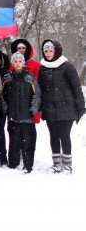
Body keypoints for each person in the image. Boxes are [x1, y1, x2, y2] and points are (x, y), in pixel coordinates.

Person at [39, 40, 85, 173]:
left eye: (50, 50)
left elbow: (76, 88)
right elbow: (41, 88)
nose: (48, 53)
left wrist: (80, 106)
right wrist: (41, 106)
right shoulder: (43, 67)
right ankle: (56, 164)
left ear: (56, 51)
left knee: (64, 135)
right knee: (53, 136)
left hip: (67, 108)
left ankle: (67, 164)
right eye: (46, 51)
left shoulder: (67, 66)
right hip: (50, 108)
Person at [3, 52, 40, 173]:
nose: (18, 64)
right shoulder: (8, 78)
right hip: (13, 117)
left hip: (27, 117)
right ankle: (13, 163)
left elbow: (37, 95)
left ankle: (28, 164)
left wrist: (33, 109)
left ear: (23, 63)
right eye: (15, 61)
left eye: (20, 61)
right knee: (14, 141)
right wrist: (6, 108)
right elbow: (2, 96)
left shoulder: (30, 77)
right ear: (12, 63)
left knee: (28, 142)